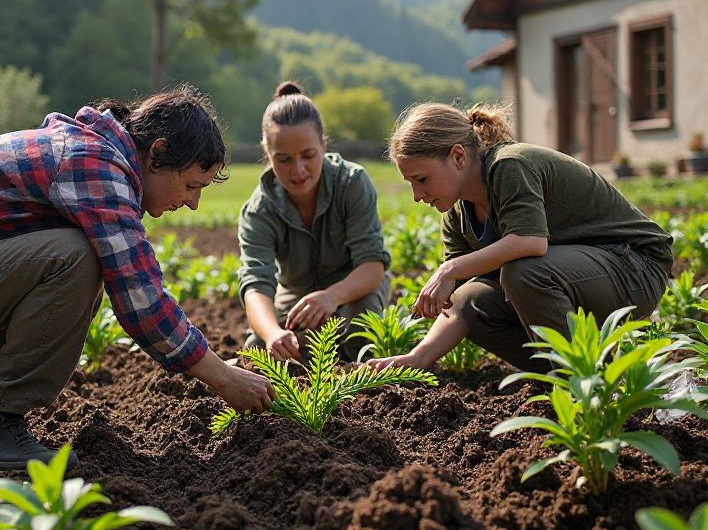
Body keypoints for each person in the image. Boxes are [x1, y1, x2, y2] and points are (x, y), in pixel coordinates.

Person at [0, 86, 275, 477]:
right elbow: (140, 298)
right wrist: (222, 377)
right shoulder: (97, 165)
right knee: (81, 258)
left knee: (64, 266)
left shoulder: (94, 150)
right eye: (190, 185)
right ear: (158, 153)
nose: (192, 203)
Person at [369, 101, 673, 372]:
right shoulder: (457, 216)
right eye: (410, 183)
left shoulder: (509, 166)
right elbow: (458, 303)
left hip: (635, 266)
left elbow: (529, 242)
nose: (417, 195)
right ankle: (574, 373)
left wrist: (450, 268)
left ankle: (578, 379)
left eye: (422, 179)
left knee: (523, 271)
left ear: (458, 156)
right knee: (472, 299)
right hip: (582, 277)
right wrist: (418, 357)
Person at [238, 81, 391, 363]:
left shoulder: (352, 183)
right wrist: (273, 333)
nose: (298, 170)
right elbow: (256, 283)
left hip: (353, 287)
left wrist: (331, 297)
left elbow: (372, 267)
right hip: (295, 295)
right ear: (267, 152)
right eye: (283, 159)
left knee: (361, 331)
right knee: (261, 348)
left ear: (323, 145)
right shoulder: (259, 210)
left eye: (308, 155)